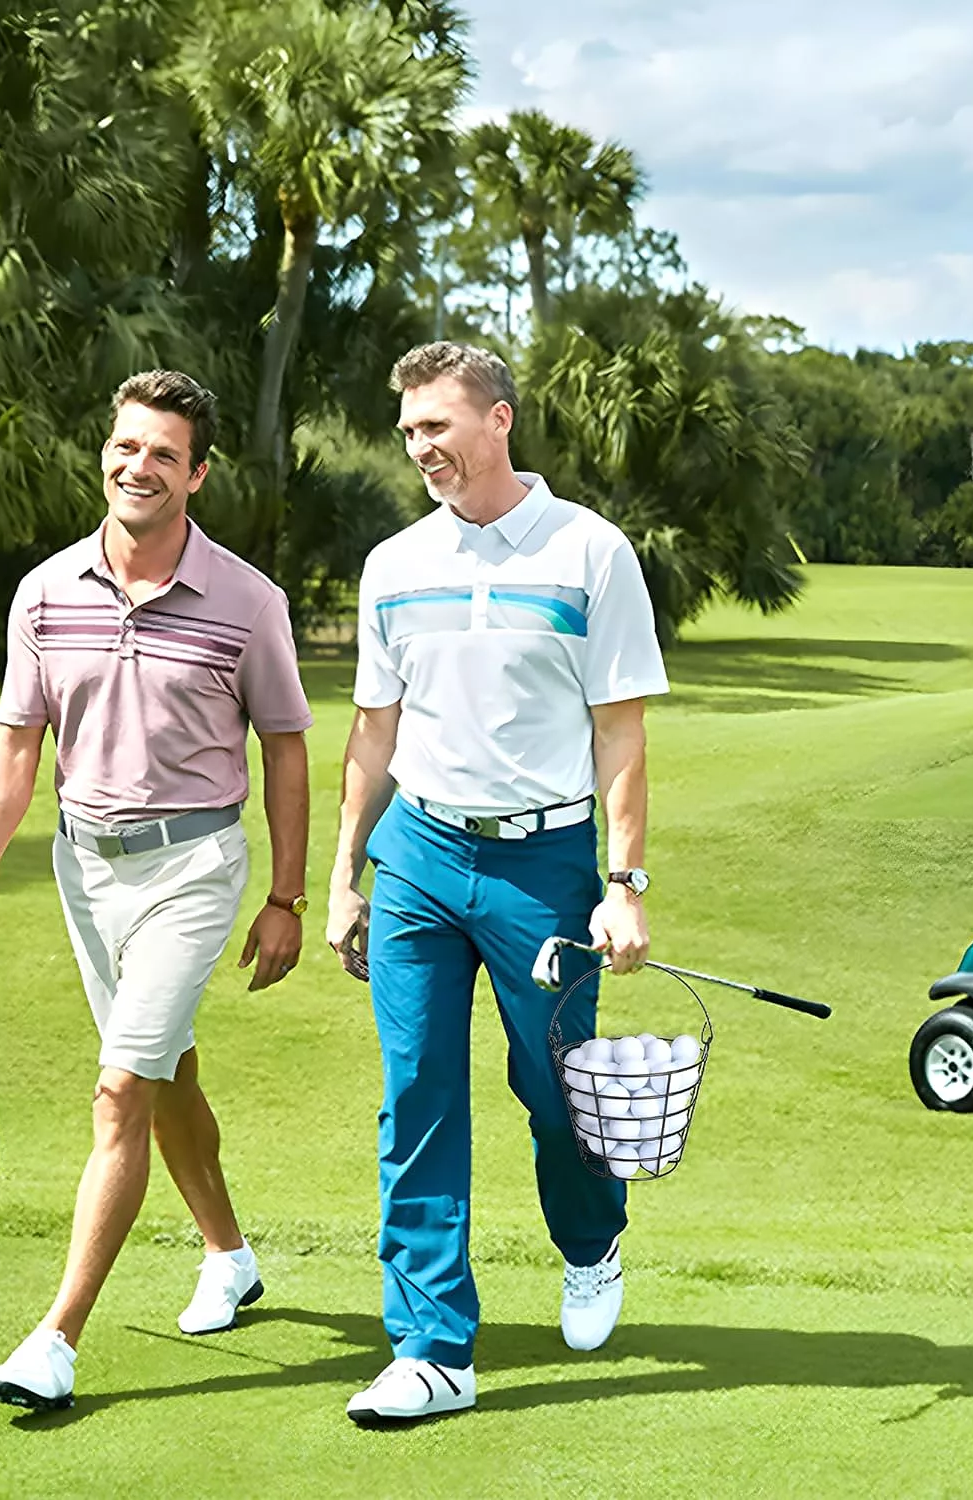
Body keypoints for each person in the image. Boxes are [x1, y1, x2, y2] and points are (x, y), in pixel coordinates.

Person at [0, 370, 313, 1413]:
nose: (136, 466)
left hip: (194, 866)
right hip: (83, 868)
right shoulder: (47, 590)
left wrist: (284, 896)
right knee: (165, 1074)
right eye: (125, 447)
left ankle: (55, 1341)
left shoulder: (248, 601)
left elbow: (285, 749)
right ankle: (231, 1255)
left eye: (162, 453)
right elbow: (16, 745)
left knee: (119, 1090)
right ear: (103, 454)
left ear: (197, 473)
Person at [326, 341, 668, 1424]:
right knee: (418, 1094)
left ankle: (590, 1237)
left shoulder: (590, 553)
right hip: (420, 856)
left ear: (500, 420)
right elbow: (372, 736)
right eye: (410, 431)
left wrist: (623, 883)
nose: (421, 447)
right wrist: (344, 878)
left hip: (544, 865)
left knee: (557, 1090)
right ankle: (433, 1348)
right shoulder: (395, 565)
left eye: (438, 425)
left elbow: (620, 731)